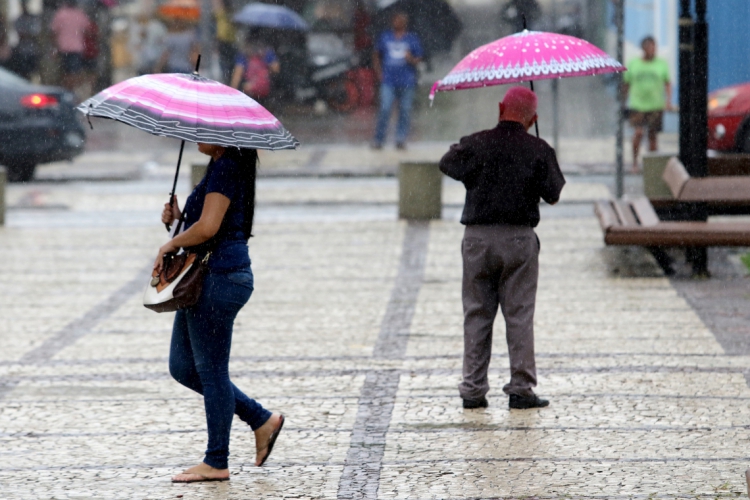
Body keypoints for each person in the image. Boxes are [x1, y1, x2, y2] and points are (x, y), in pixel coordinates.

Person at [157, 145, 284, 483]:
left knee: (212, 372)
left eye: (203, 127)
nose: (197, 133)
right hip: (208, 277)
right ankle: (261, 420)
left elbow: (210, 228)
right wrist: (178, 218)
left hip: (219, 278)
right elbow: (203, 224)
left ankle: (216, 460)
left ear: (224, 135)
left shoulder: (227, 167)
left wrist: (169, 245)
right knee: (183, 367)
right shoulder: (218, 166)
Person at [439, 87, 565, 411]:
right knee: (519, 315)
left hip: (477, 239)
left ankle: (472, 390)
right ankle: (521, 390)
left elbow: (448, 162)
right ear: (533, 118)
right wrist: (536, 160)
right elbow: (553, 195)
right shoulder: (538, 149)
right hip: (519, 241)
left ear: (499, 108)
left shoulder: (477, 142)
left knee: (477, 314)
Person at [372, 12, 423, 150]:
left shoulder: (412, 38)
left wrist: (410, 58)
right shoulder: (385, 36)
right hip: (388, 80)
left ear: (405, 22)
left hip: (407, 81)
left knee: (405, 110)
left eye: (401, 20)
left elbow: (419, 58)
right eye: (396, 19)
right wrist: (379, 72)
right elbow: (376, 54)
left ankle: (400, 139)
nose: (398, 22)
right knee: (385, 108)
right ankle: (379, 139)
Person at [624, 36, 673, 173]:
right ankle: (635, 162)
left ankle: (652, 166)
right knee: (638, 133)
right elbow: (626, 84)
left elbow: (667, 82)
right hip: (638, 105)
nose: (653, 50)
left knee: (652, 136)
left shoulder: (661, 64)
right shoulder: (634, 64)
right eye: (651, 47)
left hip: (655, 106)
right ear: (644, 48)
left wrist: (668, 100)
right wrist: (624, 101)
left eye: (655, 47)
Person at [50, 0, 91, 91]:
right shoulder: (80, 14)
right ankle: (70, 91)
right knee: (74, 73)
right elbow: (88, 29)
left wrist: (55, 48)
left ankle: (67, 91)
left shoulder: (60, 14)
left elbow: (54, 32)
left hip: (63, 48)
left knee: (65, 73)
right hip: (77, 48)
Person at [229, 33, 279, 100]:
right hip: (265, 90)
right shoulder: (267, 51)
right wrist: (263, 74)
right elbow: (276, 69)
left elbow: (237, 74)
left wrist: (232, 92)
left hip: (249, 90)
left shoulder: (244, 53)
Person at [9, 1, 41, 80]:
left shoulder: (33, 18)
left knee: (32, 73)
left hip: (31, 50)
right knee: (23, 73)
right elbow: (21, 34)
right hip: (23, 50)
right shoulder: (18, 19)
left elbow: (35, 33)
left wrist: (27, 35)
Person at [214, 0, 237, 84]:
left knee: (225, 62)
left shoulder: (222, 14)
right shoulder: (231, 15)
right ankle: (227, 77)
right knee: (227, 62)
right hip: (227, 41)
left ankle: (226, 77)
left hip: (225, 41)